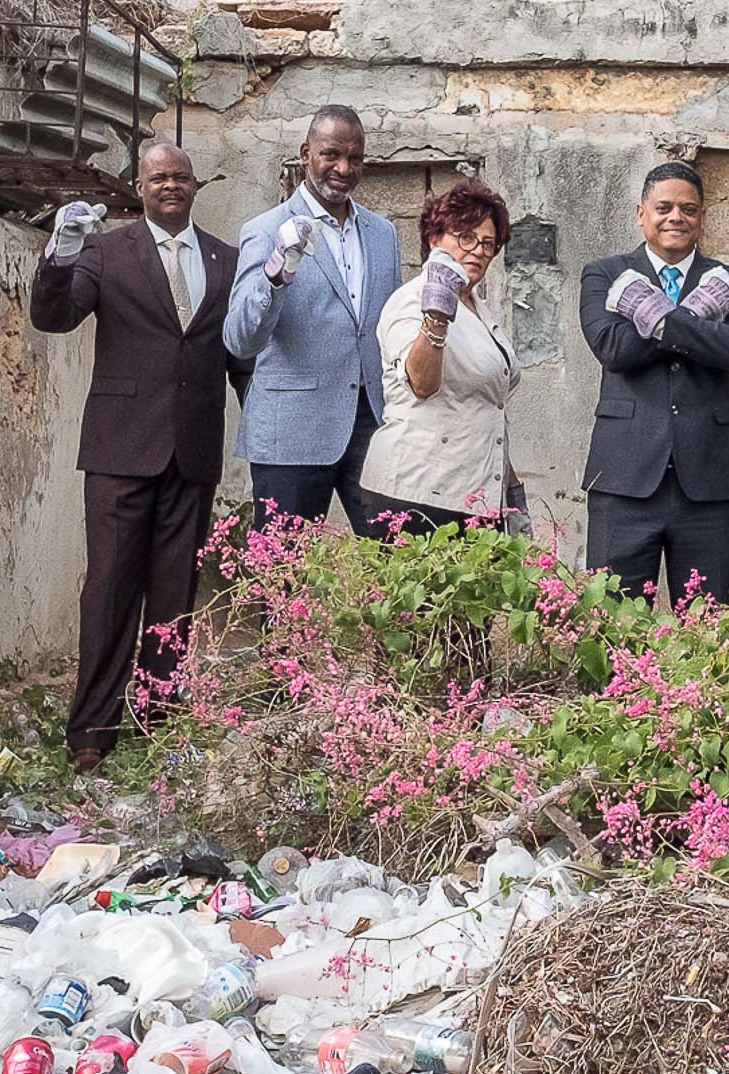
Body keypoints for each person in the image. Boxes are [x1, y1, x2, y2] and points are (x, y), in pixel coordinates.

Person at [30, 142, 248, 771]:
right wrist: (60, 253)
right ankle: (92, 731)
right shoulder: (104, 250)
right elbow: (55, 318)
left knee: (174, 593)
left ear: (195, 185)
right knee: (109, 589)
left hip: (193, 449)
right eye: (158, 178)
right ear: (139, 187)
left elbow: (239, 358)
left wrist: (262, 419)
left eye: (180, 177)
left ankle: (158, 719)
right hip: (120, 447)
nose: (170, 186)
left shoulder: (225, 259)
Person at [579, 161, 729, 606]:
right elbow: (615, 349)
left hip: (710, 481)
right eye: (664, 207)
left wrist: (652, 314)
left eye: (688, 208)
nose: (675, 217)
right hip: (625, 478)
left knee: (708, 623)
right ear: (640, 213)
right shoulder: (605, 275)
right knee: (614, 621)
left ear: (701, 217)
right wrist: (699, 317)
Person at [224, 106, 400, 532]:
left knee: (396, 567)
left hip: (370, 424)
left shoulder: (383, 234)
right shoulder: (266, 230)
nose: (343, 168)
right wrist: (275, 275)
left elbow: (389, 327)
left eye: (355, 158)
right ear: (306, 154)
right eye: (331, 154)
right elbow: (239, 340)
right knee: (283, 576)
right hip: (291, 431)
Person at [360, 184, 525, 536]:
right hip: (417, 493)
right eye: (466, 237)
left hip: (478, 494)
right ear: (435, 239)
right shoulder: (411, 300)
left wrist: (512, 492)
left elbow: (490, 409)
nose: (478, 251)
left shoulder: (480, 309)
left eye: (488, 243)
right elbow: (421, 382)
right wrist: (436, 313)